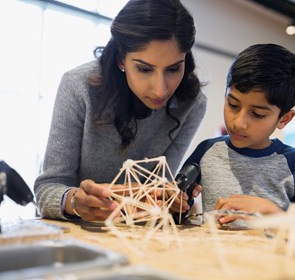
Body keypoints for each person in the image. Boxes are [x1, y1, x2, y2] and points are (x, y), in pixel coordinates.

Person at [34, 0, 207, 222]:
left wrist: (173, 199)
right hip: (73, 234)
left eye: (174, 68)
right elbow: (47, 188)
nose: (160, 89)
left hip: (135, 236)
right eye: (144, 69)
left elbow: (161, 189)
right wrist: (75, 201)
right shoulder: (79, 86)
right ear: (120, 60)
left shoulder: (191, 104)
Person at [178, 43, 295, 225]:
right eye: (232, 105)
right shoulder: (207, 151)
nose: (239, 123)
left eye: (257, 114)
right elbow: (177, 209)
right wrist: (175, 203)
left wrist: (274, 213)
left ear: (284, 119)